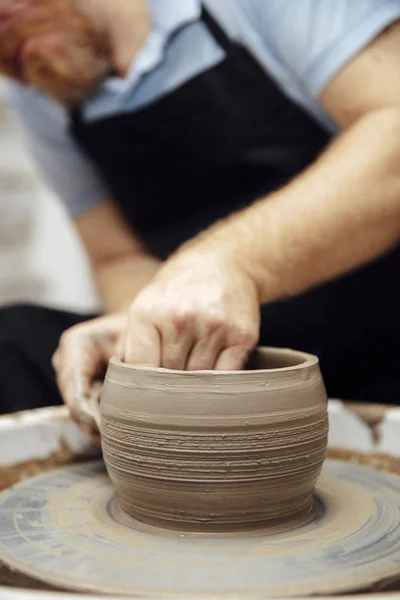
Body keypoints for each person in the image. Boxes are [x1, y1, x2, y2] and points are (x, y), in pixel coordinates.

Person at [0, 0, 400, 432]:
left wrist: (229, 263)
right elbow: (117, 255)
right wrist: (139, 329)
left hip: (379, 330)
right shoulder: (40, 75)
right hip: (225, 366)